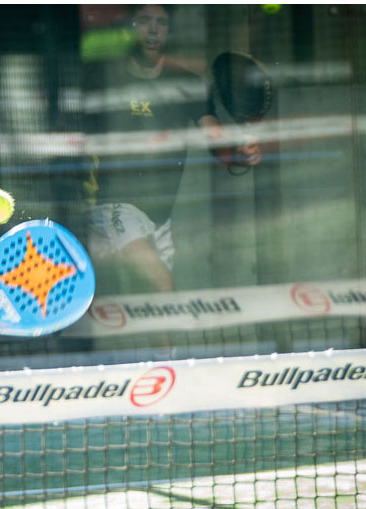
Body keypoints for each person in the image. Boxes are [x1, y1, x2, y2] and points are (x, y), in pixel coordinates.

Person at [84, 4, 261, 294]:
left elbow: (214, 136)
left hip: (160, 218)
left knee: (160, 304)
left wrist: (239, 152)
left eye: (161, 22)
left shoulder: (188, 84)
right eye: (144, 20)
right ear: (130, 27)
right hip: (115, 207)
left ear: (170, 31)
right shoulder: (104, 78)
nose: (153, 29)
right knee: (163, 285)